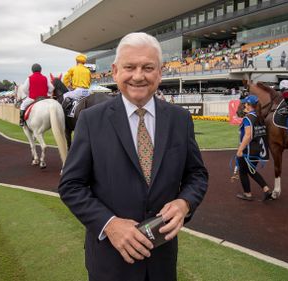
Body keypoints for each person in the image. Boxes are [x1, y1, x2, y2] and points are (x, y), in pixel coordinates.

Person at [58, 32, 208, 281]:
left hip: (162, 263)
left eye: (148, 67)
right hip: (110, 262)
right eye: (130, 67)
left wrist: (185, 203)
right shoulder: (91, 120)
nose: (138, 76)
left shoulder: (180, 119)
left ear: (160, 72)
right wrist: (110, 224)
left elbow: (197, 174)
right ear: (115, 71)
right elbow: (70, 185)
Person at [235, 95, 272, 201]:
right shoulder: (259, 117)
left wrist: (240, 149)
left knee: (243, 171)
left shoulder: (248, 118)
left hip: (249, 150)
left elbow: (248, 135)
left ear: (248, 105)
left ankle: (247, 194)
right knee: (251, 171)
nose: (244, 105)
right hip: (258, 149)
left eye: (245, 103)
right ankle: (266, 189)